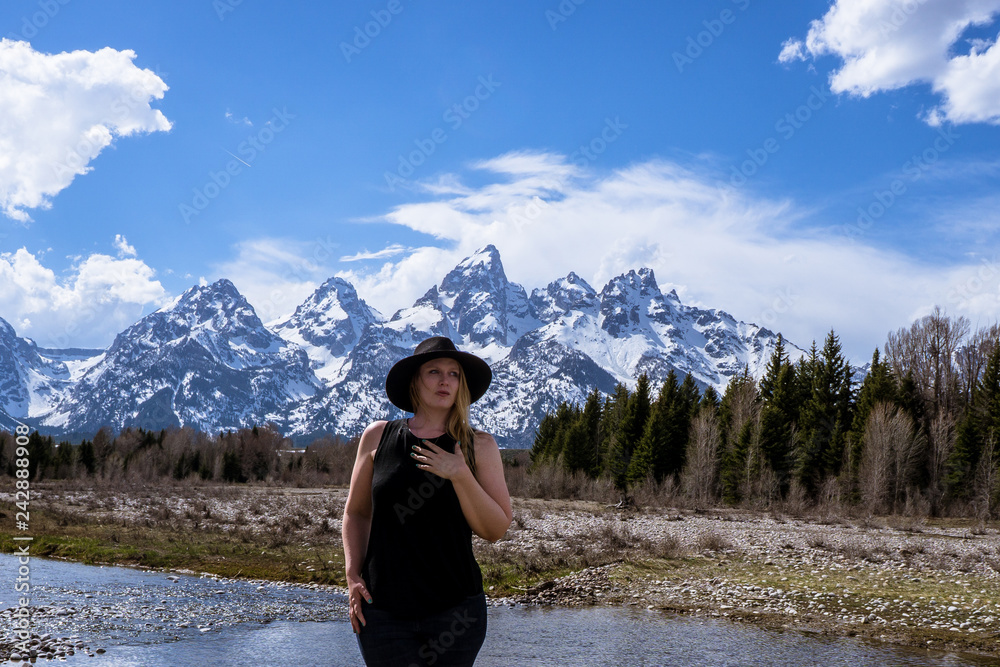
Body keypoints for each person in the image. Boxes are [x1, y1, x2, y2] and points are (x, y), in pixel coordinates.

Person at [343, 336, 513, 666]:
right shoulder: (378, 437)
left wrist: (460, 474)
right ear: (414, 382)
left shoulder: (478, 445)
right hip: (382, 613)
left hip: (456, 612)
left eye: (454, 374)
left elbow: (495, 529)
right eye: (434, 371)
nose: (445, 380)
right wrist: (352, 576)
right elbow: (357, 513)